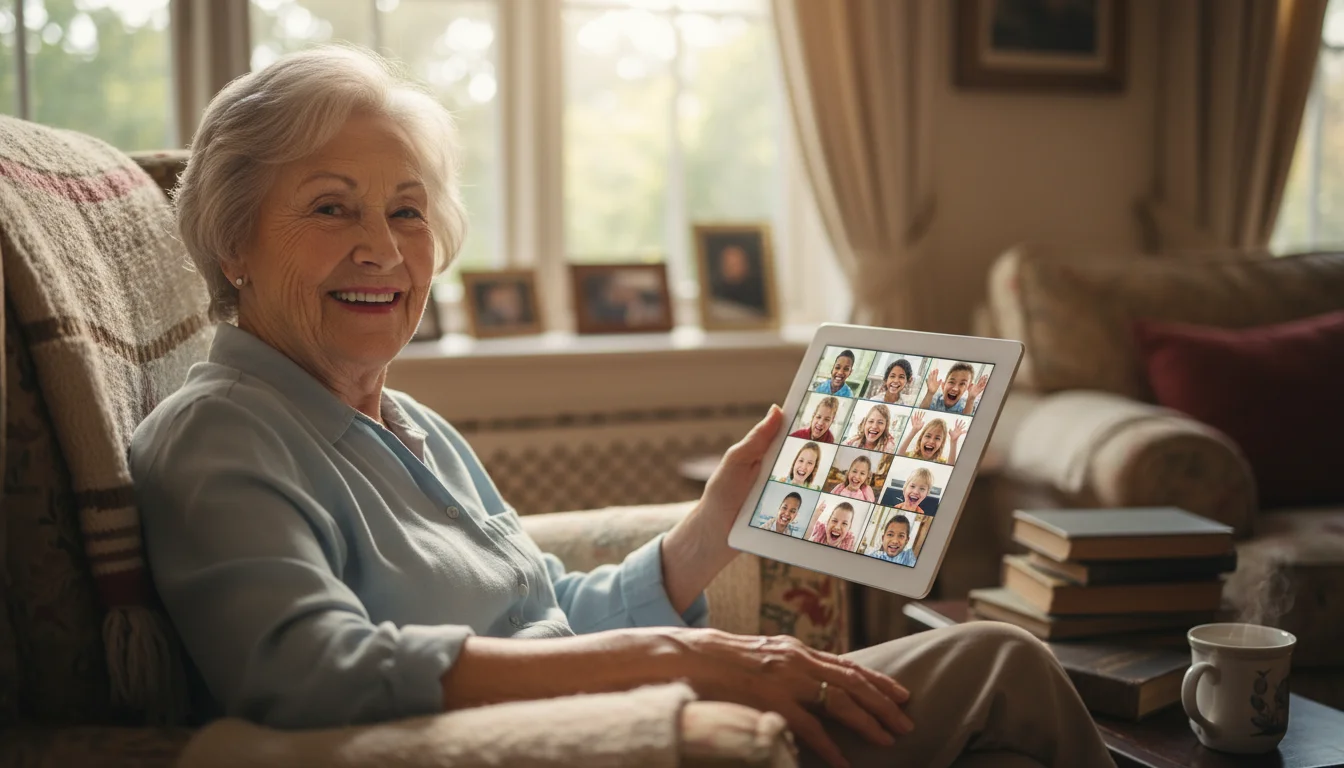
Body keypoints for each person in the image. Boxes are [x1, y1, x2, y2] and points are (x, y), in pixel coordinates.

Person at [131, 45, 1115, 768]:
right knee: (999, 668)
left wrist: (710, 529)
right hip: (594, 745)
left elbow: (545, 610)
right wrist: (675, 659)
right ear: (233, 243)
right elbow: (308, 672)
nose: (384, 250)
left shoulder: (409, 423)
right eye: (331, 206)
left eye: (408, 209)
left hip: (640, 702)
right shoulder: (221, 434)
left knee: (990, 700)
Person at [919, 362, 989, 415]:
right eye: (952, 382)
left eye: (962, 384)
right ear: (943, 385)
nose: (955, 388)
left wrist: (971, 399)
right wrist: (930, 393)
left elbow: (966, 420)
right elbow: (921, 413)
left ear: (968, 388)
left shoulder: (966, 405)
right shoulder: (935, 399)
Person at [899, 413, 966, 465]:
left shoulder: (942, 462)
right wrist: (913, 431)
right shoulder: (911, 455)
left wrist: (953, 442)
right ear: (921, 439)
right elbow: (899, 456)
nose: (931, 441)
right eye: (928, 436)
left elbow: (950, 467)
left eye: (937, 438)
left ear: (941, 444)